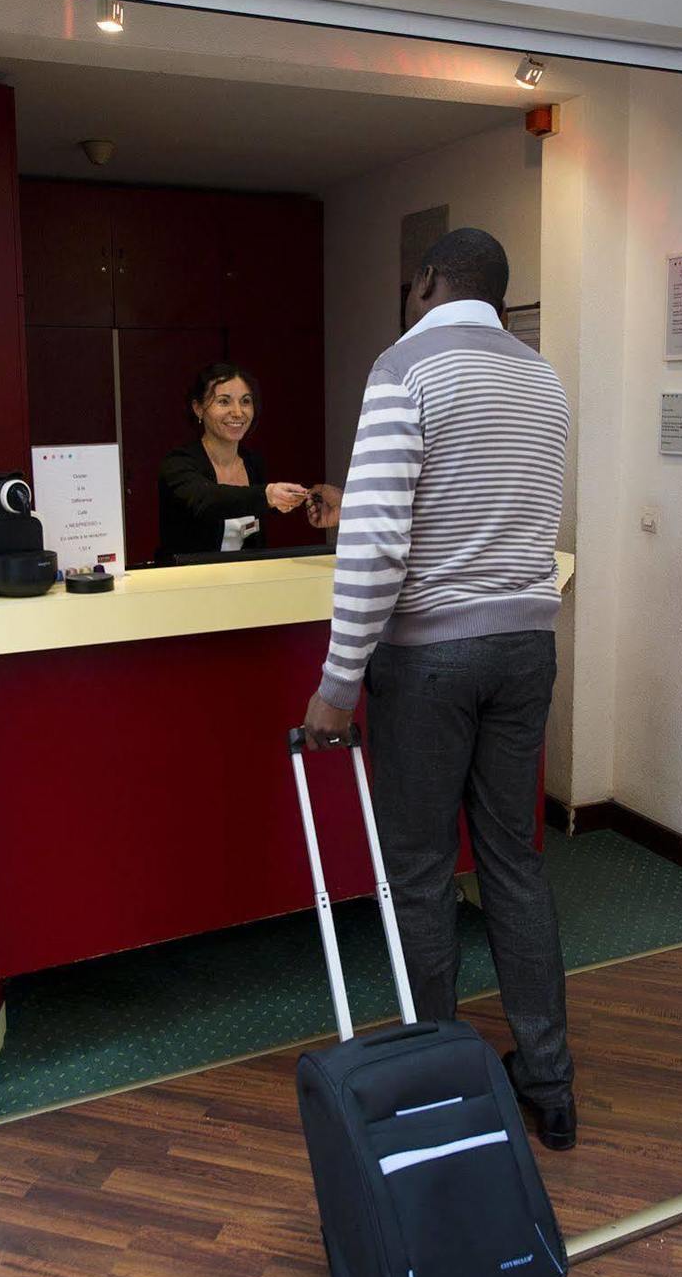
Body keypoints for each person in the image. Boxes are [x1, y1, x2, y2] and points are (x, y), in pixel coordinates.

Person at [302, 228, 576, 1150]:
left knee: (420, 877)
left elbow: (374, 541)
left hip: (428, 661)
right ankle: (548, 1082)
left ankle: (448, 1083)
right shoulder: (543, 378)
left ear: (425, 283)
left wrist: (338, 684)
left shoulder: (405, 368)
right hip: (527, 647)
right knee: (513, 865)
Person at [157, 362, 307, 560]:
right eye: (224, 402)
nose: (237, 412)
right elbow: (207, 501)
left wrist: (302, 500)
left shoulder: (253, 463)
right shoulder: (177, 463)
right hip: (189, 583)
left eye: (245, 401)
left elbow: (253, 514)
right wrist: (267, 496)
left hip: (244, 583)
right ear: (198, 409)